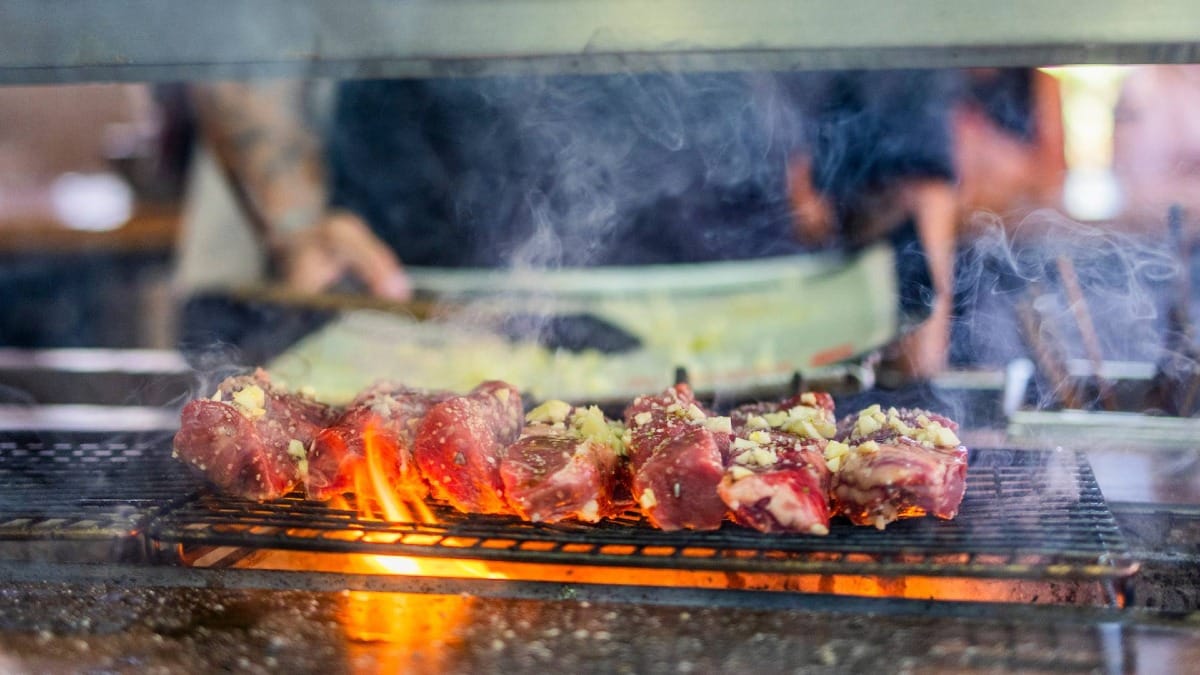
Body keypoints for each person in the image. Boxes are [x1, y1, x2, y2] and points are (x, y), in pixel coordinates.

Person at [180, 70, 962, 378]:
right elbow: (235, 22)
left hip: (755, 342)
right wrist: (295, 219)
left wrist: (907, 294)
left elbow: (899, 91)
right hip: (416, 322)